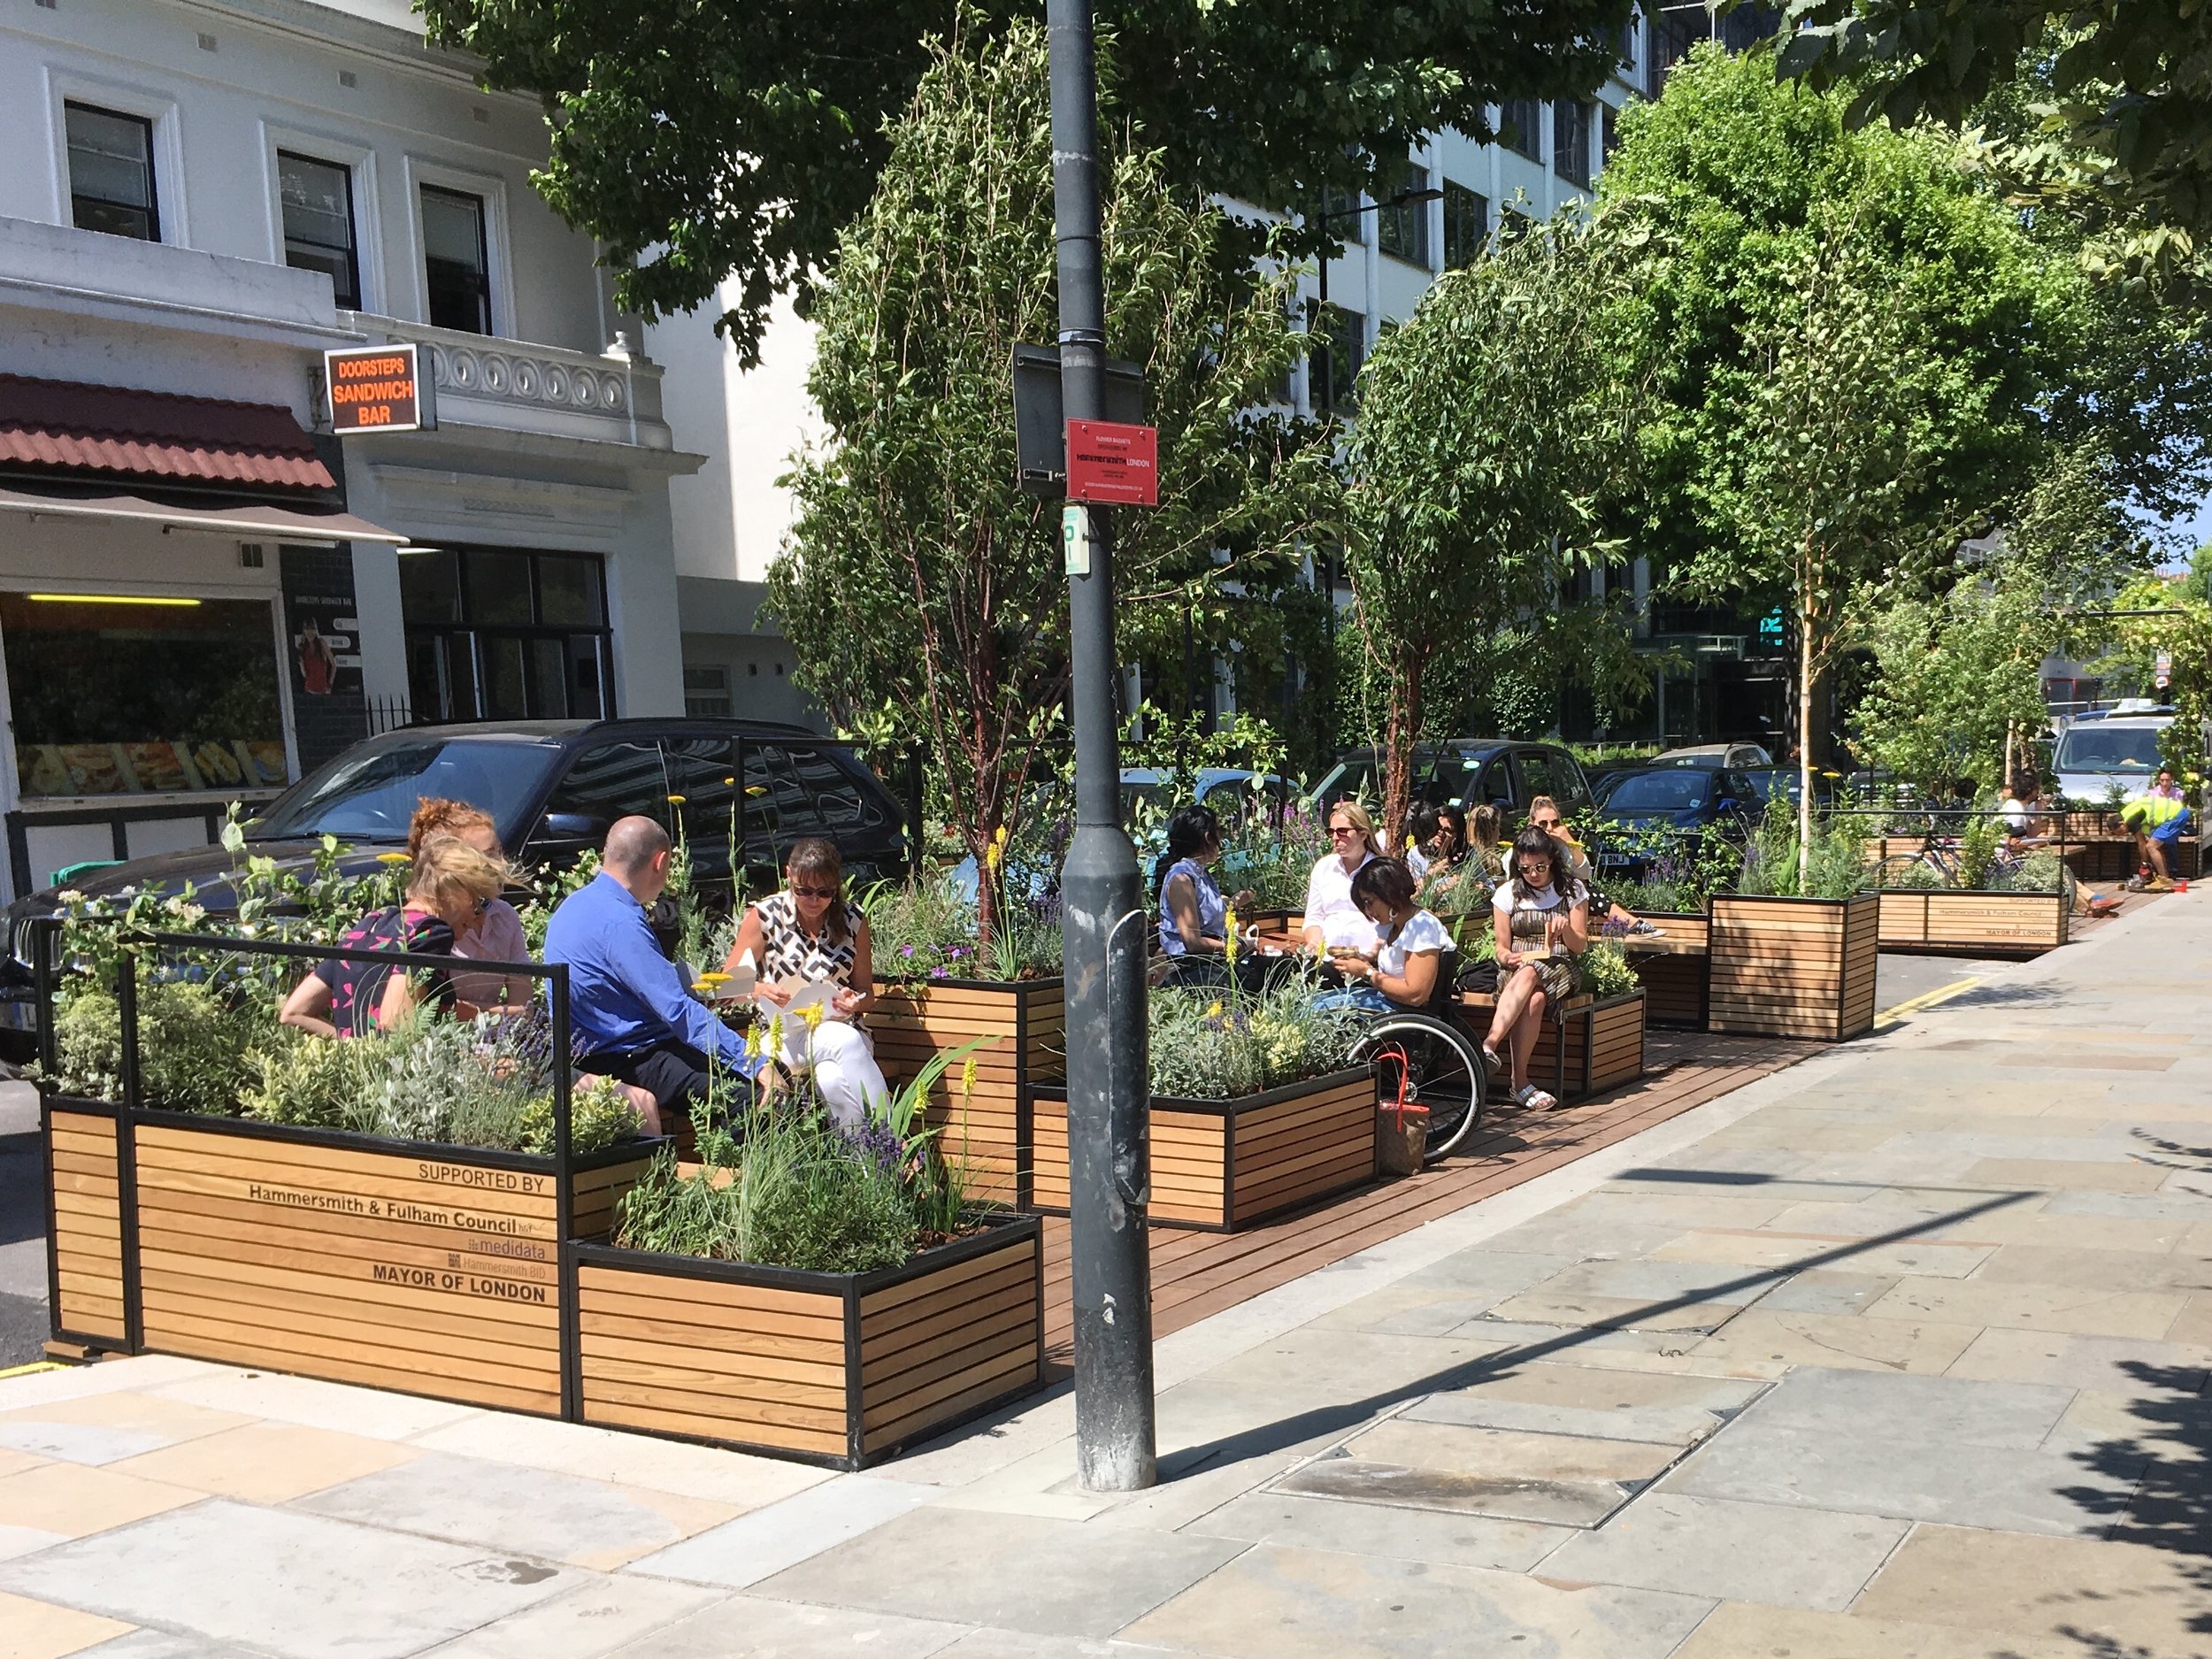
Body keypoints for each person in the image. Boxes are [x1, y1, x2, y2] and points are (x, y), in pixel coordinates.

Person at [545, 816, 760, 1125]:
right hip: (629, 1056)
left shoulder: (571, 907)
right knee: (747, 1098)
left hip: (591, 1054)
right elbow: (677, 1012)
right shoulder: (621, 922)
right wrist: (753, 1060)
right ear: (659, 862)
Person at [720, 837, 889, 1127]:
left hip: (840, 1028)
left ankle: (866, 1168)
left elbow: (866, 994)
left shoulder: (852, 920)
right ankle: (895, 1141)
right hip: (781, 1036)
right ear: (789, 875)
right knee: (844, 1040)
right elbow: (724, 986)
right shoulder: (765, 916)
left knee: (831, 1079)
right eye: (804, 891)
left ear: (836, 887)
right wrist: (759, 989)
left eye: (824, 893)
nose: (814, 901)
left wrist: (853, 1003)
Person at [280, 834, 507, 1039]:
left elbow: (295, 1012)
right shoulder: (431, 933)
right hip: (403, 1079)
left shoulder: (370, 924)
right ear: (455, 892)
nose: (482, 918)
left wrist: (354, 1050)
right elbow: (397, 1023)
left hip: (362, 1078)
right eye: (480, 902)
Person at [1485, 826, 1591, 1111]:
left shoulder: (1572, 890)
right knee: (1535, 998)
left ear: (1552, 860)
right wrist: (1507, 957)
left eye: (1540, 866)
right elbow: (1501, 946)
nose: (1533, 874)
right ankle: (1520, 1084)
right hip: (1518, 969)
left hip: (1559, 965)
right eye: (1526, 868)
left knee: (1533, 973)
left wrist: (1565, 928)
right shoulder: (1507, 893)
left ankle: (1489, 1045)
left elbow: (1579, 946)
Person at [407, 798, 529, 1016]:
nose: (503, 863)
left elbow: (525, 1008)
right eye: (490, 855)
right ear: (456, 861)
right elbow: (431, 1010)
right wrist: (499, 1013)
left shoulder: (505, 916)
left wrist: (471, 1011)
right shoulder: (432, 926)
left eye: (499, 851)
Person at [1322, 858, 1450, 1013]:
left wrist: (1367, 973)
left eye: (1369, 902)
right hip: (1389, 1001)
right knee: (1315, 1003)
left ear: (1388, 894)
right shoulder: (1395, 926)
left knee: (1319, 1012)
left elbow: (1416, 995)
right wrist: (1364, 964)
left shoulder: (1421, 928)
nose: (1368, 911)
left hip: (1405, 1013)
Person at [1152, 803, 1257, 987]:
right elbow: (1192, 942)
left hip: (1209, 963)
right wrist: (1237, 946)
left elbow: (1206, 911)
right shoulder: (1182, 879)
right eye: (1219, 833)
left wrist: (1234, 902)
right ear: (1208, 838)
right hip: (1191, 969)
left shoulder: (1201, 874)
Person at [2000, 773, 2120, 918]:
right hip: (2009, 861)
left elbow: (2029, 834)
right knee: (2056, 873)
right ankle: (2092, 905)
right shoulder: (2016, 811)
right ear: (2032, 791)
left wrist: (2038, 813)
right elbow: (2012, 843)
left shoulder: (2019, 807)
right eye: (2037, 789)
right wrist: (2038, 840)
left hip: (2017, 856)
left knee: (2058, 871)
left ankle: (2095, 901)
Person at [1528, 796, 1653, 933]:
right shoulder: (1523, 848)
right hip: (1534, 898)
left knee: (1581, 886)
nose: (1550, 828)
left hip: (1563, 898)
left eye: (1555, 823)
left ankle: (1629, 923)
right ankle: (1630, 923)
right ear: (1531, 824)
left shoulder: (1561, 846)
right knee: (1579, 888)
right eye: (1543, 824)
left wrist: (1570, 842)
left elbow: (1585, 874)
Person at [1302, 801, 1384, 954]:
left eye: (1342, 832)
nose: (1334, 838)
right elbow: (1314, 917)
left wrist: (1371, 955)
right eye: (1330, 832)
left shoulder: (1381, 870)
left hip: (1369, 959)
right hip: (1327, 957)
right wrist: (1315, 944)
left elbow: (1391, 922)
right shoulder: (1324, 867)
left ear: (1363, 834)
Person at [2120, 791, 2192, 889]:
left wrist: (2144, 865)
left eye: (2119, 831)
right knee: (2155, 846)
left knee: (2151, 846)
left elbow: (2142, 844)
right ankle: (2164, 878)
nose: (2123, 834)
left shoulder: (2131, 820)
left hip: (2175, 815)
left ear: (2121, 823)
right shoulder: (2126, 814)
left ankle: (2164, 879)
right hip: (2176, 813)